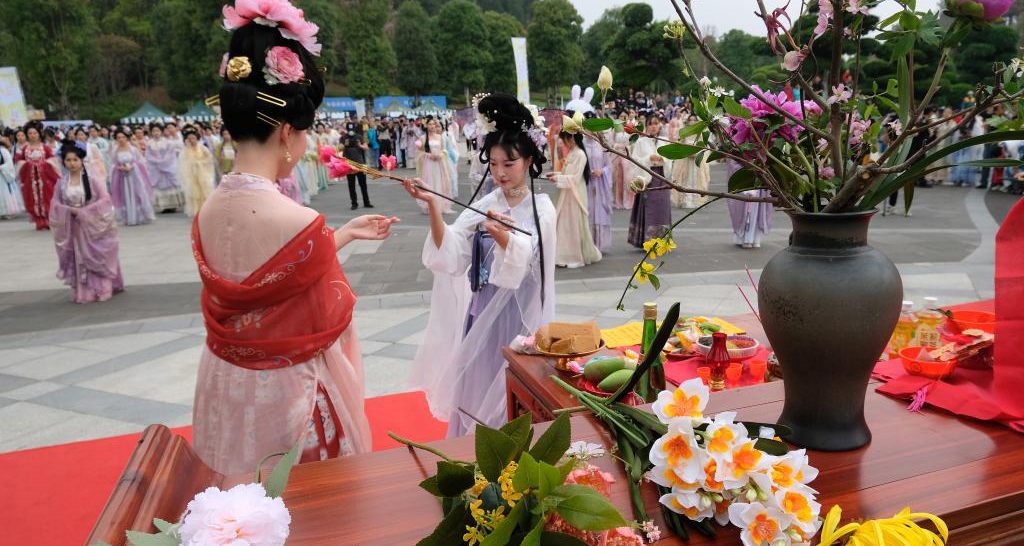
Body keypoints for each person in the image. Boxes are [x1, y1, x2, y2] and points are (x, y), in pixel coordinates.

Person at [192, 2, 398, 475]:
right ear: (287, 133)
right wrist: (332, 240)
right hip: (286, 395)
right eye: (304, 135)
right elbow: (324, 309)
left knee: (236, 498)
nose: (305, 146)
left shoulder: (205, 212)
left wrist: (340, 235)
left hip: (224, 383)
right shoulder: (298, 219)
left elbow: (268, 277)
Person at [405, 93, 556, 437]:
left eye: (509, 164)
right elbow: (454, 249)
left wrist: (502, 236)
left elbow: (531, 261)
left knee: (512, 388)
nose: (500, 172)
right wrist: (432, 206)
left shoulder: (542, 208)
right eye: (495, 163)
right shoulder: (489, 201)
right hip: (482, 309)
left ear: (529, 160)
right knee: (477, 385)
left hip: (519, 319)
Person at [49, 140, 124, 303]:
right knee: (79, 255)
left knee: (94, 254)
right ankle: (84, 290)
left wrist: (84, 212)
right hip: (73, 226)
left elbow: (105, 201)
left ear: (82, 160)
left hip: (91, 225)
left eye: (75, 159)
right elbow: (55, 204)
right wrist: (68, 210)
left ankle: (101, 288)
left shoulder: (93, 180)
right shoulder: (61, 183)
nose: (72, 163)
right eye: (68, 160)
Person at [547, 129, 602, 267]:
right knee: (564, 224)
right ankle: (562, 254)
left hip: (576, 193)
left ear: (571, 138)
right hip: (567, 193)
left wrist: (558, 178)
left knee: (572, 223)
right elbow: (568, 173)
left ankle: (573, 255)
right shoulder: (572, 153)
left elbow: (576, 178)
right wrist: (555, 174)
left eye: (564, 140)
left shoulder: (580, 154)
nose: (563, 143)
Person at [627, 115, 672, 248]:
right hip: (647, 178)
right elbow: (635, 160)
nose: (653, 126)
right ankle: (647, 240)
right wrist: (648, 158)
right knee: (648, 208)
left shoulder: (664, 141)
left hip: (662, 178)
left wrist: (663, 159)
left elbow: (671, 158)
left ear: (660, 125)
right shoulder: (641, 142)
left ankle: (662, 241)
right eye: (650, 123)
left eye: (656, 123)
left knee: (662, 209)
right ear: (647, 125)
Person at [15, 121, 60, 230]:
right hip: (30, 178)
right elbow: (19, 161)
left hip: (45, 178)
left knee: (47, 197)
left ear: (39, 133)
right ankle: (39, 220)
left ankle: (48, 219)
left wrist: (44, 164)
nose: (32, 135)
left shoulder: (45, 147)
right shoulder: (24, 149)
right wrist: (28, 164)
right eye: (30, 133)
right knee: (33, 198)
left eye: (35, 133)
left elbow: (53, 160)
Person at [109, 128, 155, 226]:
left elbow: (140, 161)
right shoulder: (114, 150)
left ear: (127, 138)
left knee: (137, 193)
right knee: (124, 194)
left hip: (134, 174)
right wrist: (120, 167)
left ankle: (140, 216)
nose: (121, 139)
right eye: (118, 137)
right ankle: (128, 217)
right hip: (122, 176)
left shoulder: (133, 149)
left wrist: (132, 166)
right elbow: (113, 163)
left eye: (123, 137)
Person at [725, 161, 773, 249]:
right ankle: (744, 239)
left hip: (759, 178)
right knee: (744, 210)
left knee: (757, 210)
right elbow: (734, 162)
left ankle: (754, 239)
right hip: (744, 178)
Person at [670, 114, 710, 209]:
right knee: (686, 178)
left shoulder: (700, 133)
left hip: (697, 161)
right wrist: (687, 152)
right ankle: (686, 200)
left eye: (694, 120)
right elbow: (679, 144)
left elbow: (704, 146)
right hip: (686, 161)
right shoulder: (685, 132)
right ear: (687, 122)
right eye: (690, 120)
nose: (692, 121)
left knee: (698, 179)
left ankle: (697, 201)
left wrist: (697, 153)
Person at [584, 125, 613, 252]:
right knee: (588, 209)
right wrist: (589, 172)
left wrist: (602, 171)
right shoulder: (582, 144)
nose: (588, 131)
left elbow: (609, 166)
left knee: (600, 210)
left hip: (601, 183)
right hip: (587, 182)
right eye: (586, 128)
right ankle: (588, 244)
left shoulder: (602, 145)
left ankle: (600, 244)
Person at [415, 118, 454, 214]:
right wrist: (428, 155)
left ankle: (439, 205)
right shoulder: (423, 138)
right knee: (429, 182)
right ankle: (429, 204)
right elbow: (419, 151)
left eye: (433, 124)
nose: (432, 126)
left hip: (439, 163)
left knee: (439, 182)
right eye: (430, 124)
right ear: (426, 126)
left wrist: (440, 155)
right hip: (428, 163)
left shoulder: (440, 137)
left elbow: (444, 150)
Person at [146, 124, 185, 213]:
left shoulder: (168, 142)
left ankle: (173, 205)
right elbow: (148, 155)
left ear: (161, 132)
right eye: (154, 131)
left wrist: (163, 162)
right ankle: (163, 205)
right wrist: (156, 161)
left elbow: (170, 154)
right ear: (151, 132)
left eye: (158, 131)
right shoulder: (149, 143)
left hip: (167, 167)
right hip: (156, 168)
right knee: (159, 186)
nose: (156, 133)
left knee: (170, 185)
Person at [179, 127, 216, 217]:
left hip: (203, 174)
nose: (192, 140)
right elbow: (183, 162)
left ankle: (206, 209)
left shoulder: (202, 148)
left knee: (205, 191)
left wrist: (200, 163)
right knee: (194, 192)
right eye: (189, 138)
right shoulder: (185, 151)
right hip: (192, 175)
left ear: (197, 138)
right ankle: (196, 210)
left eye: (193, 138)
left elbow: (209, 158)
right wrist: (192, 164)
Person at [341, 123, 373, 210]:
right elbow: (339, 148)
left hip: (360, 163)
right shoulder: (343, 137)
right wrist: (344, 145)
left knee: (363, 184)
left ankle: (367, 202)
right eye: (349, 130)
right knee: (351, 185)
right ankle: (354, 203)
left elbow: (366, 148)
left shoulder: (359, 136)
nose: (351, 132)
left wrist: (360, 145)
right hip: (349, 164)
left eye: (352, 130)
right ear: (347, 129)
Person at [0, 135, 24, 219]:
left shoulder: (3, 151)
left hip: (2, 176)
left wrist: (1, 167)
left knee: (4, 193)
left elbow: (9, 163)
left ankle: (6, 211)